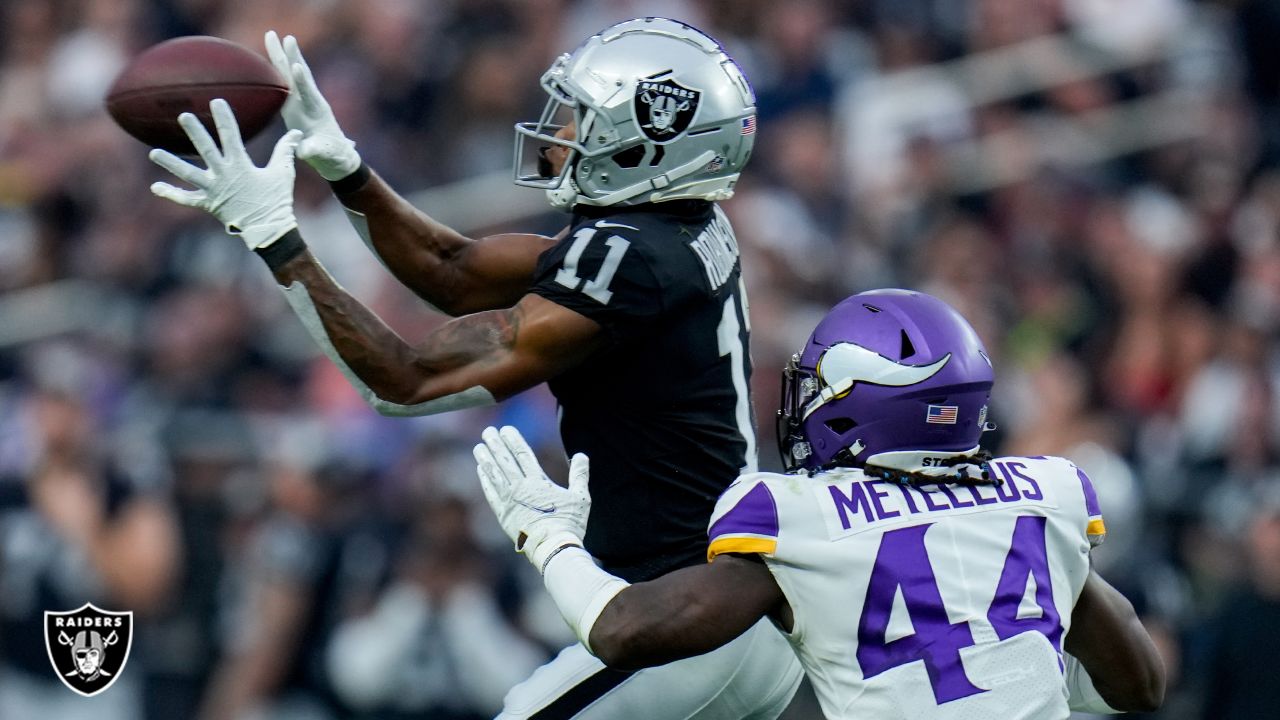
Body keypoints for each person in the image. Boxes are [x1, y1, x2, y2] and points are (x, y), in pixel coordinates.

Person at [146, 17, 803, 720]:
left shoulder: (633, 259)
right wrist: (347, 169)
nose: (564, 132)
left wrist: (276, 240)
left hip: (676, 618)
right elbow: (453, 271)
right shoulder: (675, 229)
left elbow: (407, 381)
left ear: (652, 137)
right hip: (718, 613)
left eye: (585, 117)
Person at [474, 289, 1168, 720]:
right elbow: (1140, 683)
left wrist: (548, 538)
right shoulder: (1046, 495)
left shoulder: (801, 517)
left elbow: (625, 629)